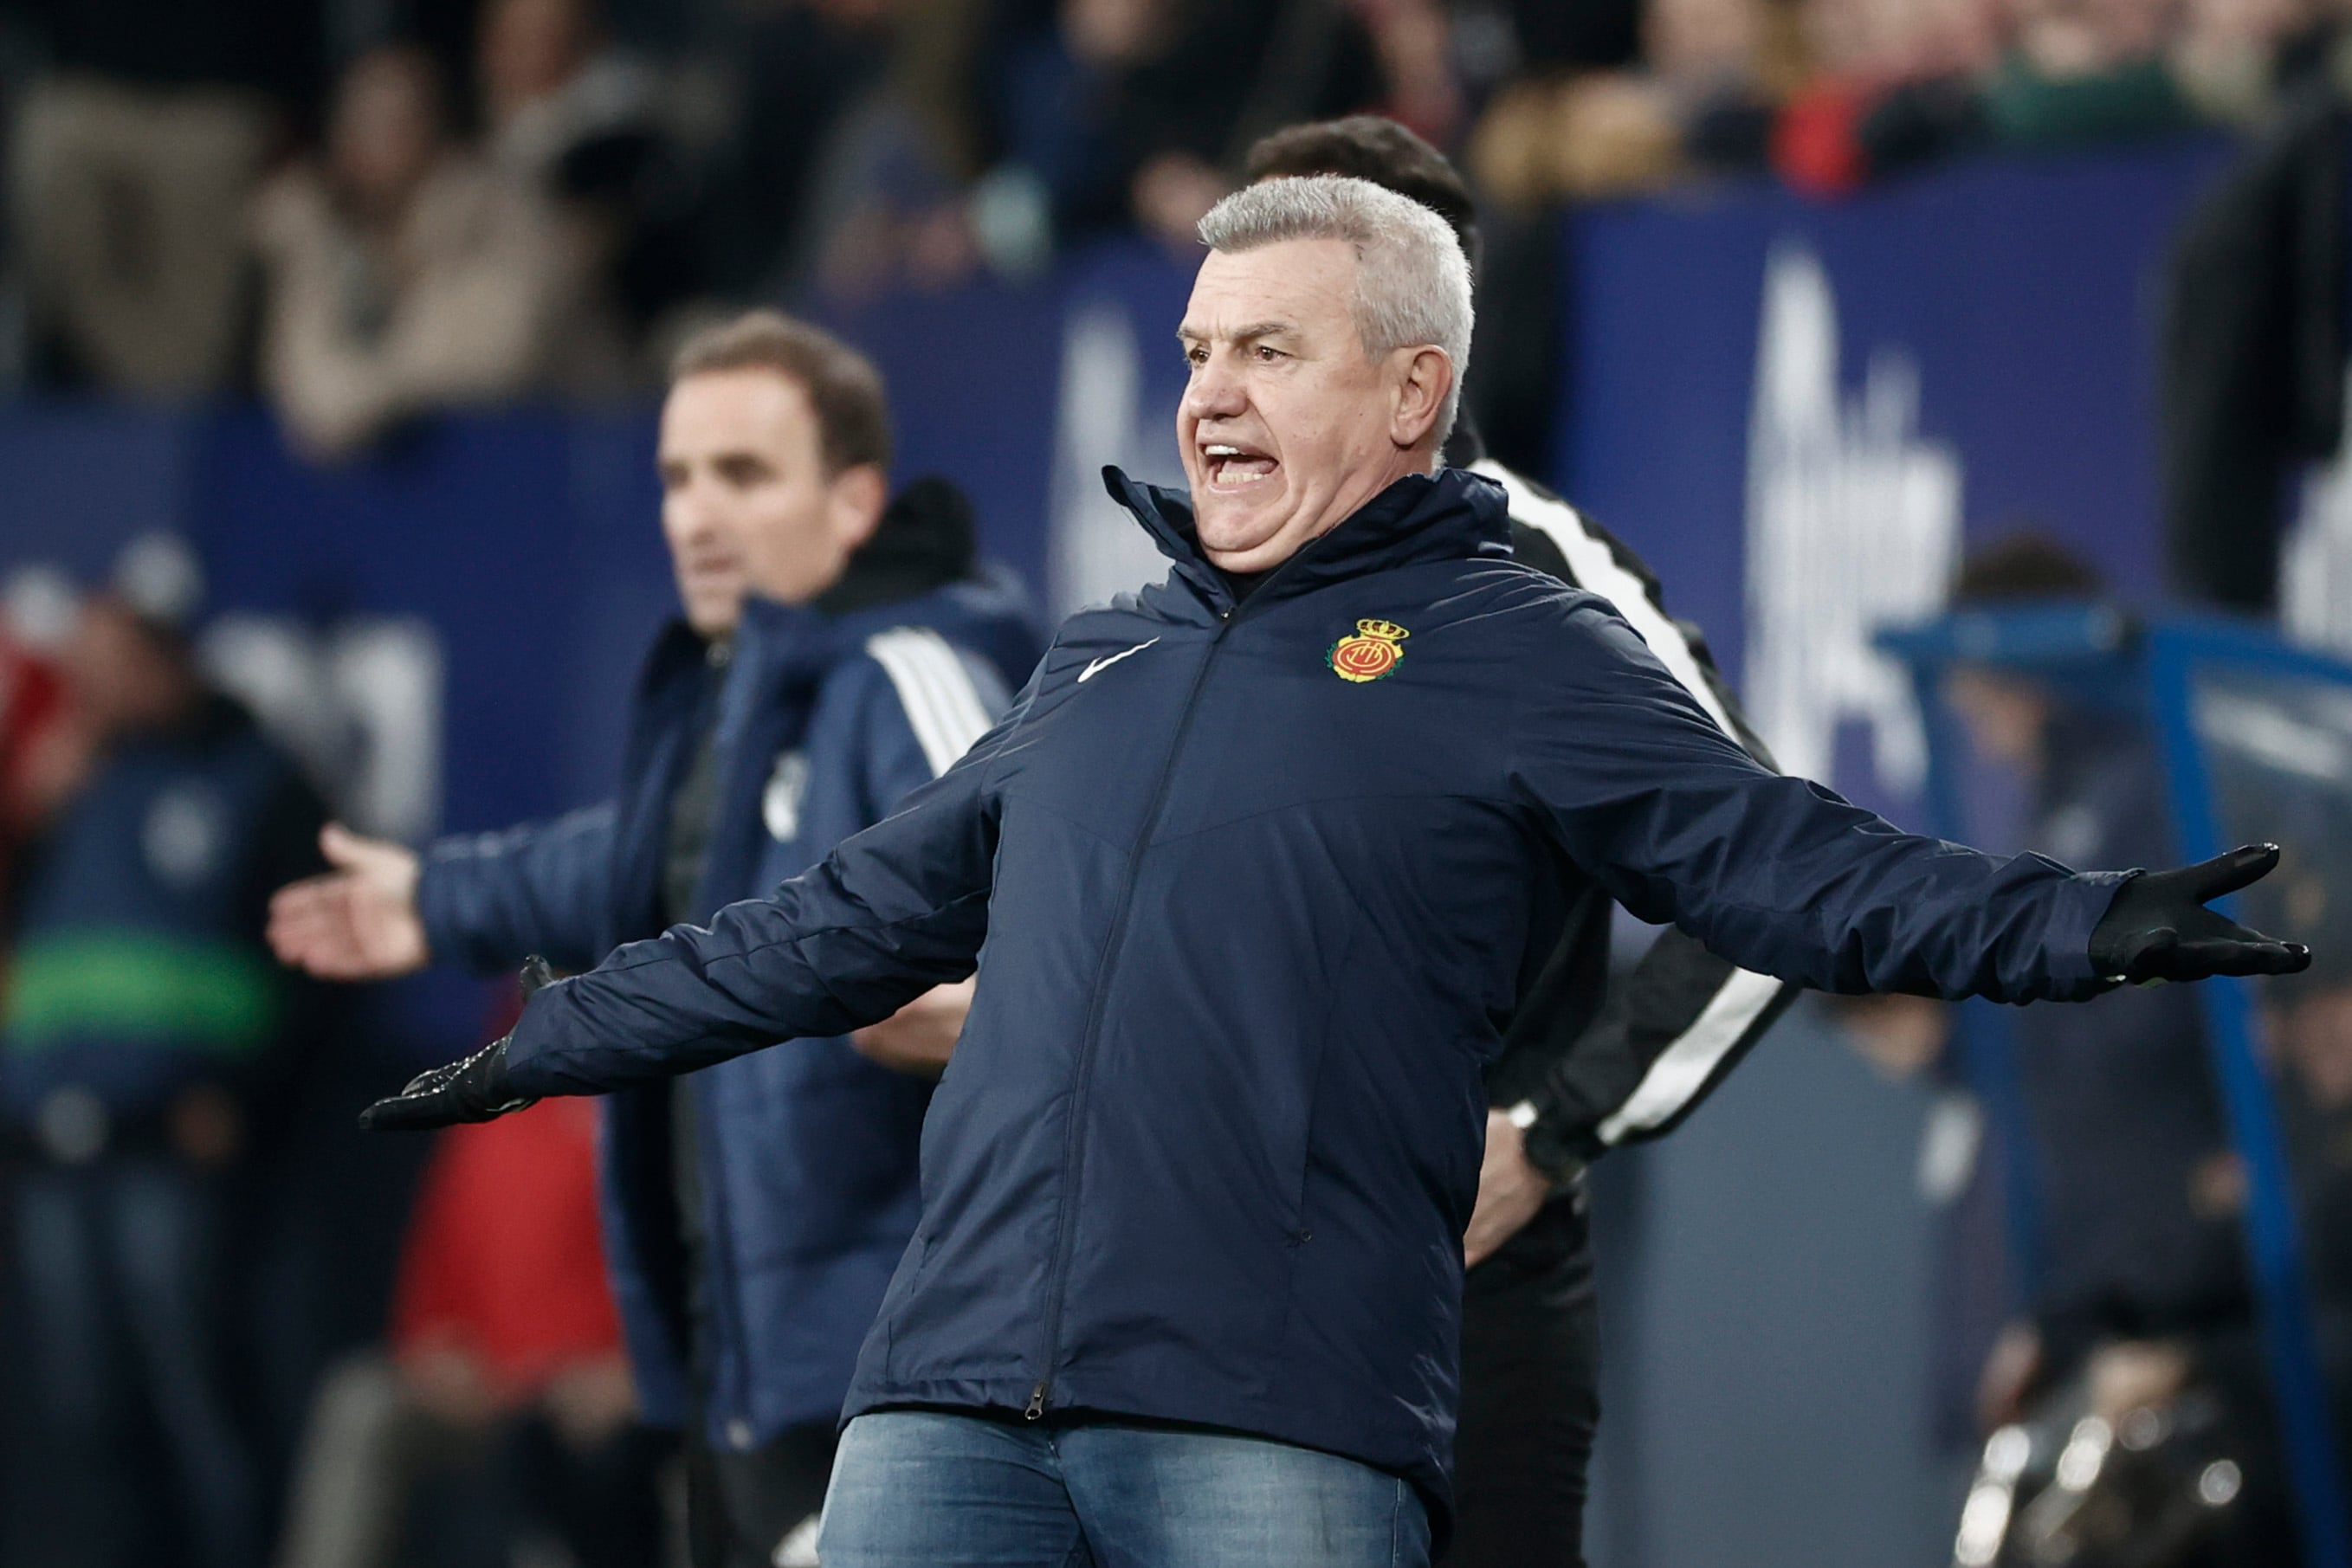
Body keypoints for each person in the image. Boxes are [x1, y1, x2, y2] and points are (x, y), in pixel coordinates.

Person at [358, 176, 2308, 1568]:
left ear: (1406, 392)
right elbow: (833, 923)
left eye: (1266, 350)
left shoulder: (1526, 640)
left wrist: (2085, 922)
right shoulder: (1096, 654)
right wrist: (562, 1035)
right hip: (940, 1402)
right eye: (1197, 347)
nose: (1204, 392)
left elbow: (1791, 868)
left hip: (1264, 1426)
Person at [267, 308, 1042, 1568]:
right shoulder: (735, 703)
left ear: (854, 501)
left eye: (744, 473)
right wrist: (436, 899)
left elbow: (1034, 905)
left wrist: (980, 1000)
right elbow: (634, 863)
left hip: (893, 1354)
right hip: (750, 1350)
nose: (696, 515)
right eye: (678, 476)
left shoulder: (908, 668)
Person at [1237, 113, 1797, 1568]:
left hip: (1456, 1310)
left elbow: (1769, 872)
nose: (1234, 361)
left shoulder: (1537, 568)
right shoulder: (1216, 583)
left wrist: (1551, 1129)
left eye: (1282, 322)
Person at [0, 534, 329, 1568]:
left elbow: (314, 964)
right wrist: (29, 813)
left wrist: (240, 1095)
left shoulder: (255, 776)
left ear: (174, 653)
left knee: (201, 1399)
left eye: (125, 650)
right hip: (52, 1143)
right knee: (82, 1409)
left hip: (174, 1143)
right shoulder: (63, 779)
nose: (102, 673)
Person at [249, 45, 628, 461]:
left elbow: (339, 408)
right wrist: (311, 255)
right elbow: (313, 399)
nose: (363, 148)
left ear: (440, 133)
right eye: (355, 125)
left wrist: (309, 260)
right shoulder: (338, 235)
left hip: (577, 479)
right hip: (452, 499)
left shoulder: (504, 222)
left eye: (391, 125)